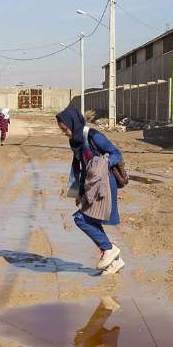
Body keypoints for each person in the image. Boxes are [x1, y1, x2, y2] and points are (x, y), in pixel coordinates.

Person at [56, 106, 125, 275]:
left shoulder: (94, 136)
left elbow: (117, 154)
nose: (64, 133)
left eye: (65, 129)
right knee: (89, 220)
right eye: (62, 130)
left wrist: (102, 165)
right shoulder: (75, 141)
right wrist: (78, 192)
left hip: (105, 183)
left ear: (73, 124)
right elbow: (78, 167)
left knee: (81, 219)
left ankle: (109, 249)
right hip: (90, 185)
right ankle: (113, 260)